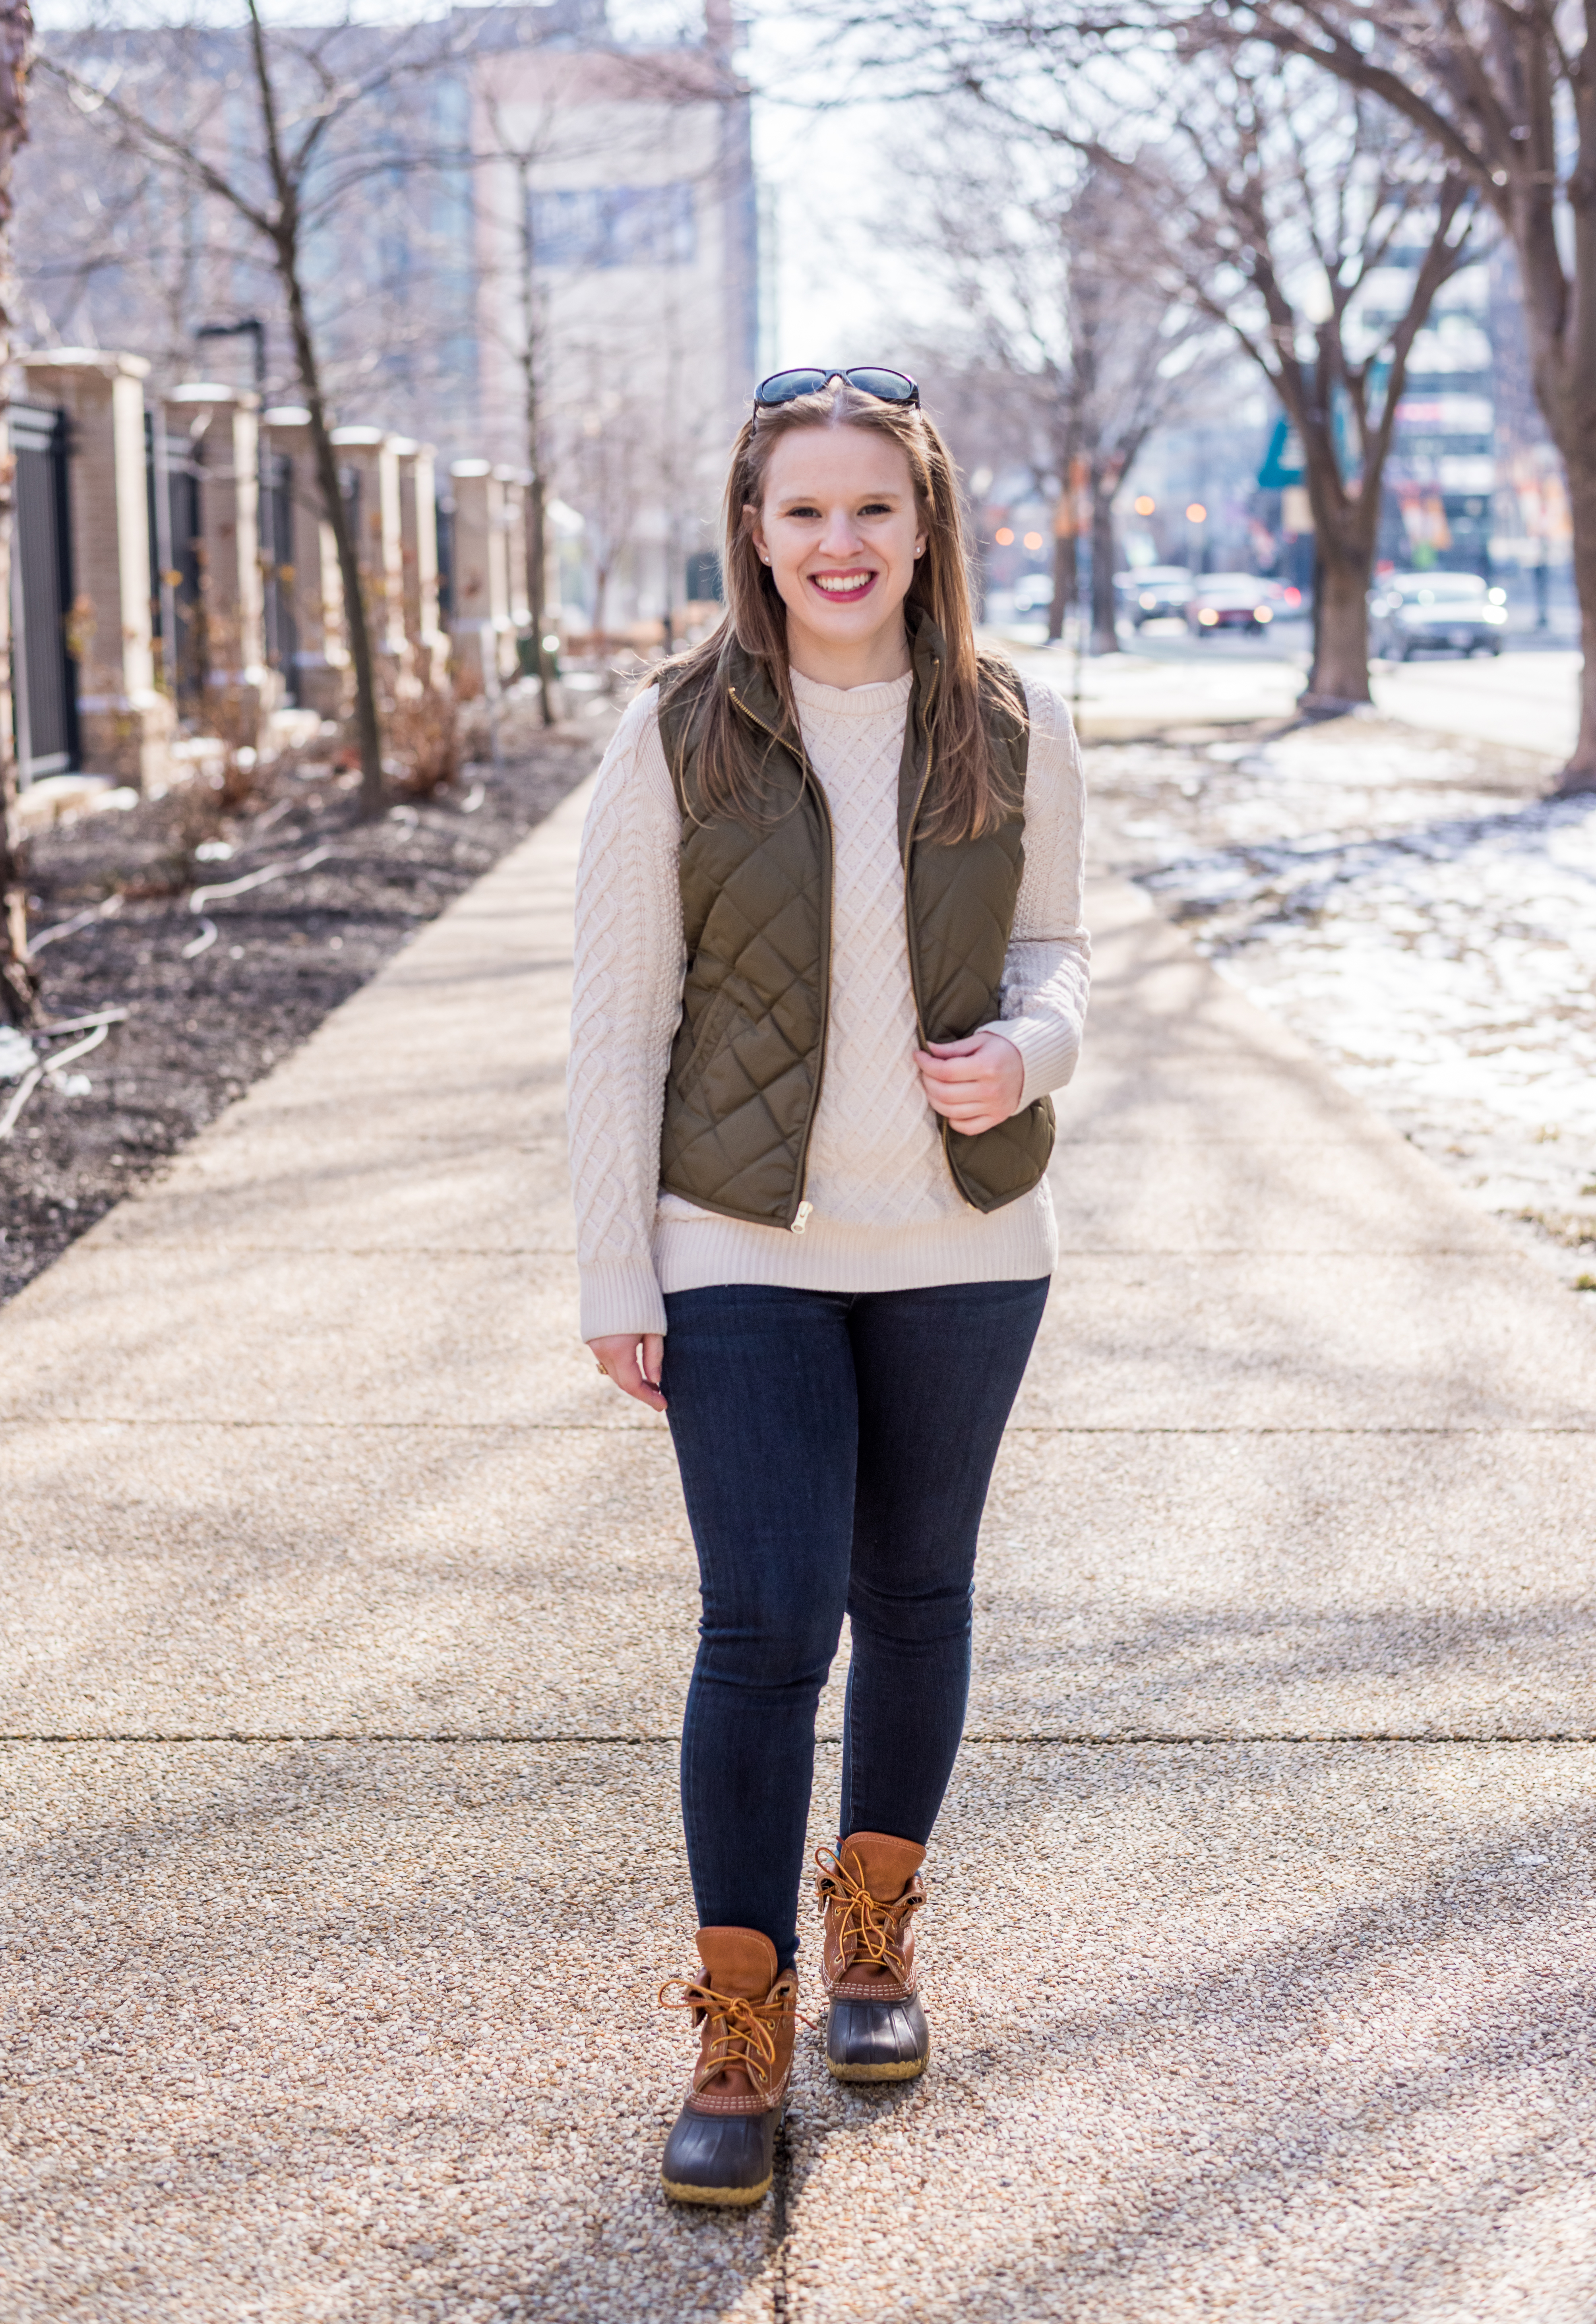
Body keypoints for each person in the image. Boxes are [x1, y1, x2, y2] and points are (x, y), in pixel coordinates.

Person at [566, 366, 1090, 2207]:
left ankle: (872, 1936)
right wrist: (610, 1263)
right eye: (803, 511)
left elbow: (1056, 959)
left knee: (917, 1590)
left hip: (963, 1241)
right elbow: (616, 1024)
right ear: (753, 530)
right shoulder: (678, 733)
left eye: (873, 507)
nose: (838, 542)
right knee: (766, 1625)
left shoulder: (1009, 725)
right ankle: (739, 2018)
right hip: (738, 1247)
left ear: (925, 524)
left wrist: (1025, 1054)